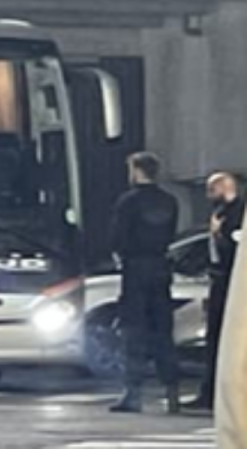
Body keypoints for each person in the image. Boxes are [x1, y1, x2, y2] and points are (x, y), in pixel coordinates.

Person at [108, 152, 180, 414]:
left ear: (137, 171)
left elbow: (118, 237)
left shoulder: (128, 201)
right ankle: (172, 391)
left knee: (134, 331)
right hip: (160, 268)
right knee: (163, 330)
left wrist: (119, 255)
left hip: (136, 269)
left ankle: (133, 393)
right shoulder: (170, 201)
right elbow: (170, 233)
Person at [185, 172, 244, 411]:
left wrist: (221, 234)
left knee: (224, 339)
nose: (208, 196)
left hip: (230, 282)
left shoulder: (237, 213)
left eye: (211, 190)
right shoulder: (221, 212)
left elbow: (234, 246)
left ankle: (215, 395)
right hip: (219, 279)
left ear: (223, 188)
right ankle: (209, 392)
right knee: (215, 340)